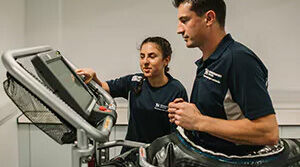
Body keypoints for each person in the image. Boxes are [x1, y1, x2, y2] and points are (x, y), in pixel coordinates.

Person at [168, 0, 280, 156]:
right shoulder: (210, 62)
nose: (179, 30)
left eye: (185, 20)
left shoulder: (239, 59)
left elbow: (268, 132)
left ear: (209, 18)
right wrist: (186, 113)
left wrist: (198, 121)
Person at [76, 36, 188, 153]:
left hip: (158, 157)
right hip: (130, 152)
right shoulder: (134, 81)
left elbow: (178, 136)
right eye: (142, 56)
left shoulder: (176, 91)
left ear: (166, 60)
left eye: (152, 56)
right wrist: (93, 77)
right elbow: (105, 88)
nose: (145, 62)